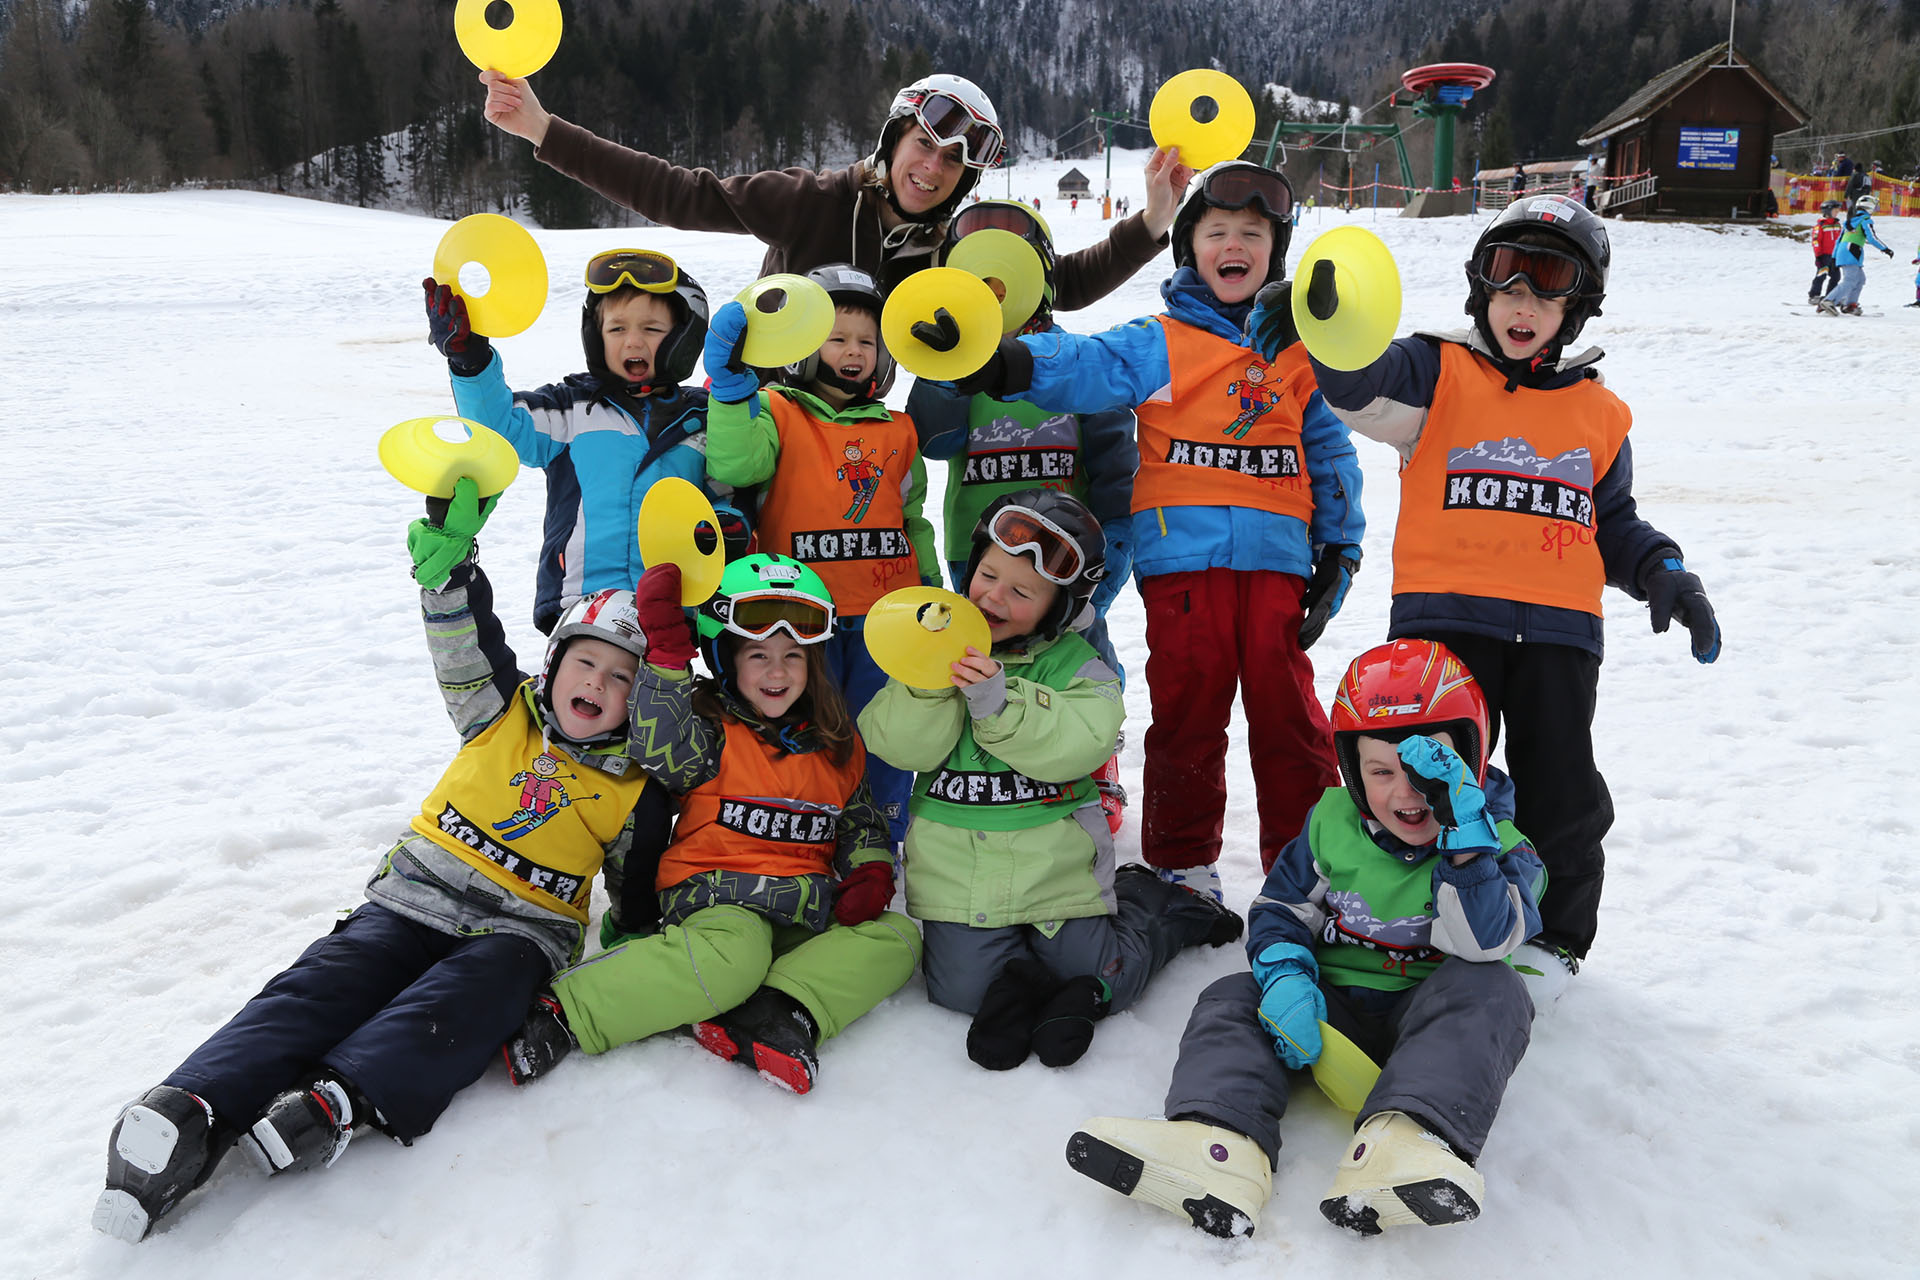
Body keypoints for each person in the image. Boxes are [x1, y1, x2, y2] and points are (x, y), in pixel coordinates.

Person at [92, 486, 662, 1242]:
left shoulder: (634, 787)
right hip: (413, 900)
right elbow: (464, 641)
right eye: (585, 662)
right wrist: (449, 575)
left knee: (464, 1003)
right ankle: (189, 1108)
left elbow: (637, 885)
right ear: (553, 663)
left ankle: (337, 1101)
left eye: (620, 678)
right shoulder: (500, 710)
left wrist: (632, 940)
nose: (596, 683)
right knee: (325, 983)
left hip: (519, 933)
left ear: (640, 701)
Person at [1247, 192, 1720, 986]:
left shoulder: (1601, 414)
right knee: (1425, 779)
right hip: (1443, 628)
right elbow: (1358, 383)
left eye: (1548, 282)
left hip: (1562, 638)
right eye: (1507, 279)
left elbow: (1614, 520)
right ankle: (1413, 920)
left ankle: (1553, 942)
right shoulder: (1436, 370)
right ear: (1481, 289)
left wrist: (1665, 572)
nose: (1523, 301)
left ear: (1579, 305)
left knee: (1562, 791)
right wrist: (1318, 321)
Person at [940, 162, 1365, 901]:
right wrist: (1004, 359)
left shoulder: (1298, 354)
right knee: (1189, 712)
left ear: (1276, 249)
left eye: (1253, 234)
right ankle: (1180, 861)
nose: (1234, 245)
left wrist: (1342, 549)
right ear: (1190, 249)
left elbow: (1329, 453)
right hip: (1185, 569)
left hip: (1276, 566)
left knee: (1289, 717)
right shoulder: (1161, 343)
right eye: (1217, 232)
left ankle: (1308, 868)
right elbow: (1082, 363)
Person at [1064, 639, 1544, 1239]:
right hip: (1329, 1009)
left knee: (1493, 990)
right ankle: (1219, 1144)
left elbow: (1483, 943)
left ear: (1470, 759)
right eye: (1381, 772)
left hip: (1430, 1016)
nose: (1405, 793)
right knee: (1232, 997)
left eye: (1429, 771)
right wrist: (1288, 973)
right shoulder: (1331, 826)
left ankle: (1408, 1143)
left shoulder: (1504, 846)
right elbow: (1279, 909)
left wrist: (1467, 840)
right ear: (1352, 769)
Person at [501, 554, 920, 1095]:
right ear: (726, 656)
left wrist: (871, 871)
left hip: (805, 907)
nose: (777, 671)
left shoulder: (838, 743)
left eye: (793, 655)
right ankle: (567, 1010)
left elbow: (860, 823)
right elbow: (658, 748)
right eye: (758, 655)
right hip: (719, 903)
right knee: (735, 956)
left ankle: (778, 1009)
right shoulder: (711, 729)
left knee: (900, 937)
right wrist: (671, 661)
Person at [858, 491, 1244, 1071]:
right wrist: (931, 687)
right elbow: (897, 744)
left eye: (1021, 592)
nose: (994, 595)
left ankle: (1161, 908)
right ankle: (1023, 982)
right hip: (961, 881)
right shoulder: (928, 658)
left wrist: (1000, 701)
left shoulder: (1078, 666)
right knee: (959, 994)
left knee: (1101, 973)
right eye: (988, 575)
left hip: (1057, 870)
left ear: (1058, 609)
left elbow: (1078, 744)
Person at [480, 70, 1188, 300]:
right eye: (924, 146)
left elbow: (1054, 288)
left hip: (857, 439)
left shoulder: (952, 254)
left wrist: (1152, 223)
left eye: (952, 164)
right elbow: (677, 194)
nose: (932, 169)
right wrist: (545, 129)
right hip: (755, 414)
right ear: (893, 142)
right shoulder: (812, 202)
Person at [904, 200, 1138, 832]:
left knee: (1082, 655)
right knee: (979, 656)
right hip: (978, 552)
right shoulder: (958, 365)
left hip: (1070, 561)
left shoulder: (1074, 358)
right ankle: (983, 761)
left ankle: (1095, 765)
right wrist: (947, 363)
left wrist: (1114, 550)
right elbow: (935, 440)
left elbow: (1119, 461)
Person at [700, 263, 937, 845]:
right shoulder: (778, 411)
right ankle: (815, 829)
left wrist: (932, 588)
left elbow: (913, 521)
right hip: (805, 619)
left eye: (866, 341)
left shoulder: (899, 431)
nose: (853, 352)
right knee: (818, 727)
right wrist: (733, 391)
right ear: (805, 346)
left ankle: (880, 837)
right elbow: (734, 466)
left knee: (884, 729)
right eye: (837, 339)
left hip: (889, 619)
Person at [426, 247, 739, 634]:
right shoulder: (570, 409)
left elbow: (728, 491)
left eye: (652, 329)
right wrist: (471, 362)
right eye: (617, 328)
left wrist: (728, 522)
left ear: (683, 340)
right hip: (580, 608)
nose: (633, 342)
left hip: (671, 613)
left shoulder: (704, 419)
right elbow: (499, 429)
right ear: (595, 336)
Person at [1824, 194, 1895, 315]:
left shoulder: (1850, 221)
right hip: (1851, 251)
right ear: (1869, 207)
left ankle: (1850, 304)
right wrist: (1885, 249)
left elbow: (1839, 240)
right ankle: (1828, 301)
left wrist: (1834, 257)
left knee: (1860, 279)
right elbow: (1871, 238)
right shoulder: (1865, 220)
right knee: (1850, 280)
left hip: (1845, 250)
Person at [1810, 201, 1844, 303]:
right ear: (1827, 211)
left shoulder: (1837, 224)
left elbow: (1840, 239)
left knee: (1836, 276)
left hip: (1834, 256)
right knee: (1821, 275)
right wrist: (1818, 256)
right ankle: (1814, 296)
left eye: (1838, 210)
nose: (1837, 212)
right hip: (1824, 256)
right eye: (1835, 210)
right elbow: (1816, 241)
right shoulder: (1821, 225)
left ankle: (1830, 296)